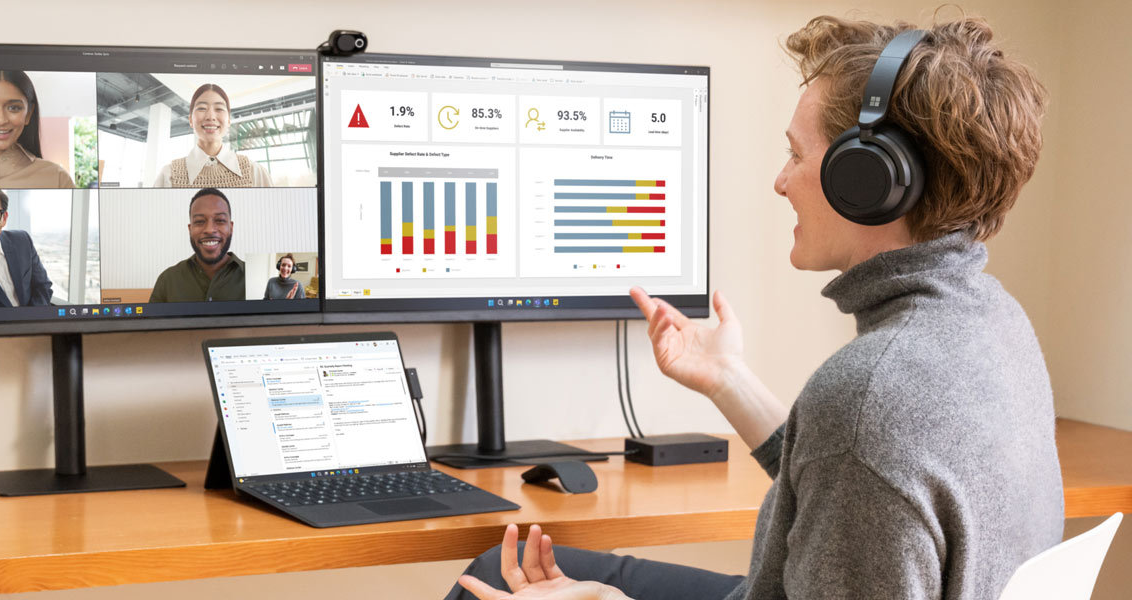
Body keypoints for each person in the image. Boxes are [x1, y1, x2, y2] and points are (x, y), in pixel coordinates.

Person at [450, 14, 1057, 600]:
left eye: (796, 154)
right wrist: (726, 380)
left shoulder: (869, 394)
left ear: (869, 178)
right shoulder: (994, 322)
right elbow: (848, 478)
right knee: (499, 571)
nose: (780, 180)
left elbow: (859, 442)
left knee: (492, 582)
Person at [154, 84, 272, 188]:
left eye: (219, 109)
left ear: (229, 121)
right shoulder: (169, 176)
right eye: (202, 108)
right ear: (190, 119)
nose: (210, 116)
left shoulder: (254, 172)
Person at [149, 188, 245, 302]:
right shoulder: (168, 280)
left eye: (219, 220)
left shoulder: (254, 277)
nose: (209, 230)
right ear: (190, 229)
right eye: (199, 221)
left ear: (231, 227)